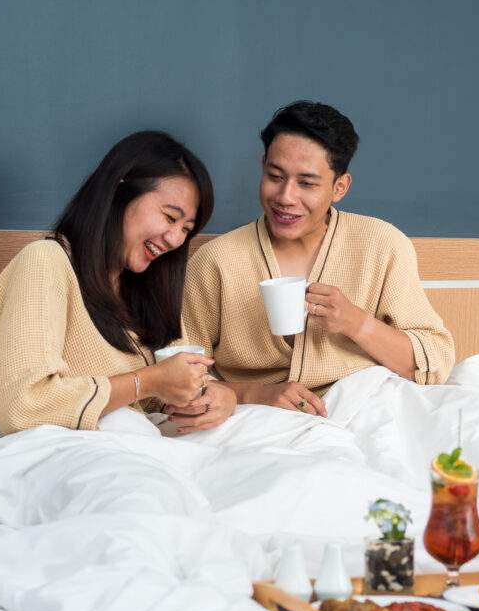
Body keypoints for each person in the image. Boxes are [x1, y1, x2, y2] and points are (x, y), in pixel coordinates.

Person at [0, 131, 236, 436]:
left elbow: (181, 379)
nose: (175, 239)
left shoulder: (149, 291)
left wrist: (221, 396)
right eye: (170, 217)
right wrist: (147, 382)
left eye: (186, 230)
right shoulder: (46, 261)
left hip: (132, 443)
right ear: (121, 192)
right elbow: (20, 406)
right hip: (46, 445)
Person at [181, 101, 454, 422]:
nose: (285, 197)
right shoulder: (215, 261)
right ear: (262, 166)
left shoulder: (382, 245)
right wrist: (253, 393)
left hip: (366, 411)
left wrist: (356, 323)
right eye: (275, 176)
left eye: (307, 183)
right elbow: (180, 374)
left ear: (340, 187)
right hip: (256, 418)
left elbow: (435, 361)